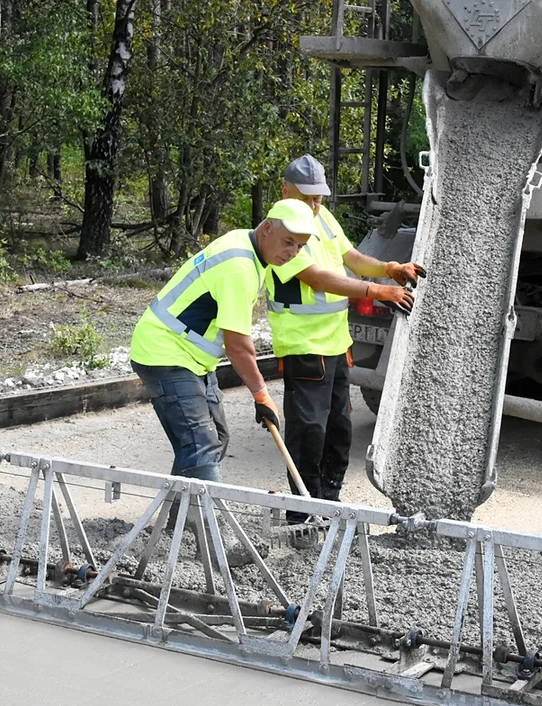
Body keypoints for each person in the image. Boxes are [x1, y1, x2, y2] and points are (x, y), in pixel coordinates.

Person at [267, 155, 424, 526]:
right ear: (286, 190)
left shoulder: (321, 216)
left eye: (320, 197)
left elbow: (350, 257)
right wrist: (377, 290)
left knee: (338, 431)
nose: (315, 205)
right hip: (304, 348)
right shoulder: (282, 229)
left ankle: (331, 505)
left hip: (336, 347)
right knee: (309, 434)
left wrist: (389, 269)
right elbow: (318, 278)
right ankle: (303, 515)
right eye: (308, 197)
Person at [130, 198, 317, 484]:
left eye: (299, 246)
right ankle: (207, 525)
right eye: (287, 242)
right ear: (266, 228)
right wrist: (261, 395)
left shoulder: (248, 243)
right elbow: (238, 346)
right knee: (200, 446)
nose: (292, 253)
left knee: (214, 438)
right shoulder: (239, 267)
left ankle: (179, 523)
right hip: (164, 352)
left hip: (191, 357)